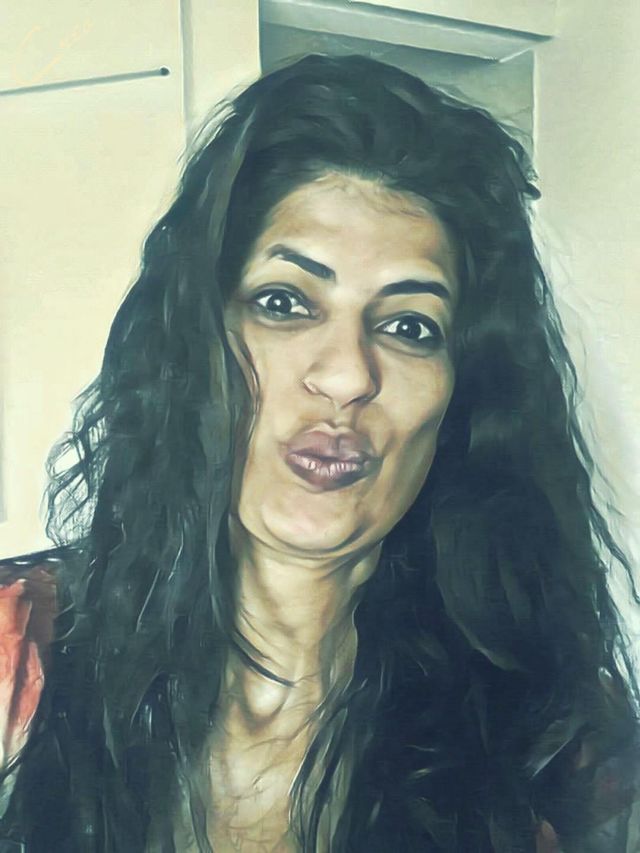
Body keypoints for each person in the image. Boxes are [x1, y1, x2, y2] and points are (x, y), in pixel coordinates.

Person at [0, 53, 638, 852]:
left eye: (410, 326)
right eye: (284, 302)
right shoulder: (18, 651)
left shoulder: (559, 742)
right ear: (193, 347)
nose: (346, 375)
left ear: (461, 396)